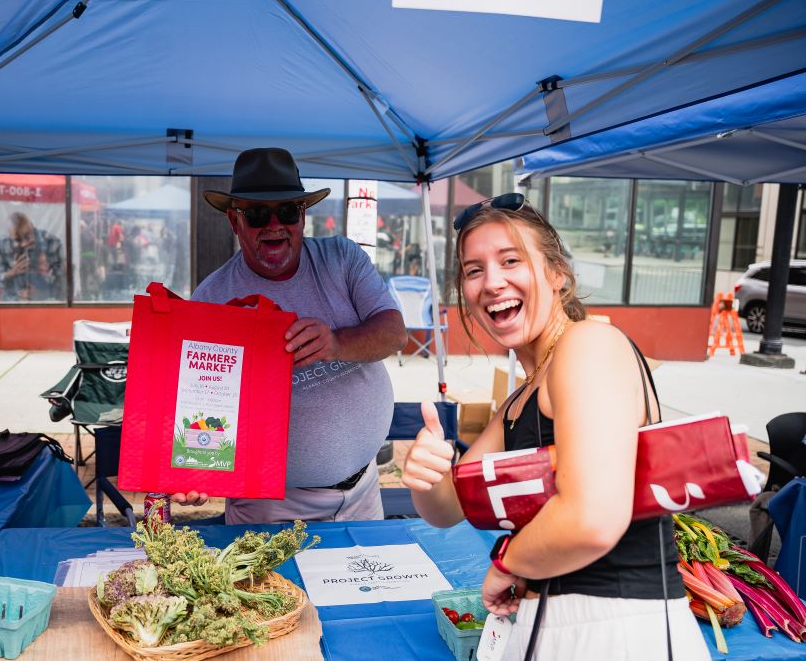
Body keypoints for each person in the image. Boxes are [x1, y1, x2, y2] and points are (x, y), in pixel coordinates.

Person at [401, 194, 708, 660]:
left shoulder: (590, 346)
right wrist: (425, 473)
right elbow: (448, 508)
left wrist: (507, 562)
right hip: (549, 622)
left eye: (510, 260)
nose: (492, 282)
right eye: (473, 269)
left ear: (558, 273)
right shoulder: (520, 399)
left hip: (617, 628)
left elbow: (593, 519)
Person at [173, 147, 407, 524]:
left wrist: (336, 343)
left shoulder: (342, 258)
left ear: (302, 214)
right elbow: (197, 404)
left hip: (363, 491)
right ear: (234, 221)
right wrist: (196, 470)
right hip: (268, 505)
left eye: (286, 212)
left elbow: (395, 333)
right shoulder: (213, 298)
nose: (274, 224)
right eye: (257, 214)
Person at [0, 212, 64, 300]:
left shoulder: (52, 243)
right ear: (10, 234)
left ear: (32, 228)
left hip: (44, 302)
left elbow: (62, 281)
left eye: (27, 237)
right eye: (18, 240)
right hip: (11, 302)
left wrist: (45, 273)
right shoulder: (1, 245)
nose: (24, 244)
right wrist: (12, 273)